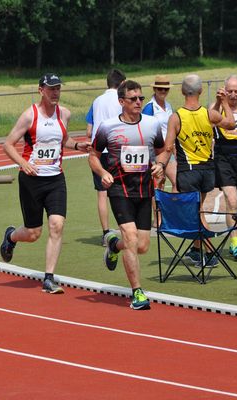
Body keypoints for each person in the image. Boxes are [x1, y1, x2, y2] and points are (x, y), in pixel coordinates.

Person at [0, 73, 86, 294]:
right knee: (33, 233)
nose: (55, 92)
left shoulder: (64, 114)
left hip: (56, 179)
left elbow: (62, 139)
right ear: (41, 90)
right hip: (31, 180)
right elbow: (8, 144)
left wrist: (77, 146)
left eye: (58, 88)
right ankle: (11, 236)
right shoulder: (30, 115)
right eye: (51, 89)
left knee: (57, 225)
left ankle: (49, 278)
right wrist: (23, 163)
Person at [89, 80, 165, 310]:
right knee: (131, 237)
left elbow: (162, 152)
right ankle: (137, 292)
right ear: (121, 102)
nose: (138, 102)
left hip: (144, 189)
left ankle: (114, 246)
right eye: (133, 99)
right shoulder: (107, 127)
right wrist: (102, 172)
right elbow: (93, 155)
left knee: (141, 246)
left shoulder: (152, 125)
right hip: (119, 189)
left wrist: (160, 164)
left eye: (141, 98)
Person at [156, 74, 235, 266]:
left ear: (183, 91)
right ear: (200, 91)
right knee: (197, 209)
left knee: (196, 213)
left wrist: (159, 165)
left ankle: (209, 253)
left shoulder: (176, 117)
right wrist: (224, 103)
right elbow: (231, 123)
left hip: (188, 172)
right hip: (208, 171)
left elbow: (168, 149)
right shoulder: (209, 114)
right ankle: (196, 249)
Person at [85, 69, 126, 246]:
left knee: (102, 193)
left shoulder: (96, 101)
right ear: (122, 83)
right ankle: (126, 229)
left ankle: (105, 233)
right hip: (118, 148)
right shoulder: (122, 100)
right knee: (123, 191)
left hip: (99, 150)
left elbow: (89, 130)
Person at [212, 75, 237, 259]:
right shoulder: (217, 108)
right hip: (224, 159)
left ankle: (236, 242)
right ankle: (235, 243)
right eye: (230, 91)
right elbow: (209, 118)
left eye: (236, 91)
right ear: (224, 90)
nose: (233, 95)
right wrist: (218, 101)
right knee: (232, 200)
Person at [143, 74, 176, 193]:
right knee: (158, 185)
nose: (163, 91)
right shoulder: (149, 108)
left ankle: (170, 210)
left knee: (174, 182)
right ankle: (158, 212)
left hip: (168, 150)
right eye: (160, 89)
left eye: (166, 89)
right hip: (154, 152)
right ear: (154, 89)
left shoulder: (168, 106)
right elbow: (145, 130)